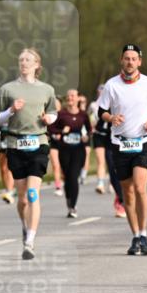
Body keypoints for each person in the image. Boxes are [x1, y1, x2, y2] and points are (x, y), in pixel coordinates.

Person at [96, 43, 147, 256]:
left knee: (141, 187)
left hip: (143, 141)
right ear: (121, 61)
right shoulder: (111, 85)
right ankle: (136, 236)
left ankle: (144, 234)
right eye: (127, 58)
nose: (130, 62)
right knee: (128, 193)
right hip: (119, 143)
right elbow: (101, 111)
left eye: (134, 58)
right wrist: (111, 118)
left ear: (139, 62)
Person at [0, 48, 59, 260]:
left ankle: (30, 241)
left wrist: (49, 120)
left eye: (28, 60)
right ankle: (25, 226)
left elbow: (53, 112)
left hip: (39, 142)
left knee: (33, 194)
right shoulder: (7, 89)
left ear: (37, 65)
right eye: (21, 59)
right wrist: (11, 110)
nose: (24, 62)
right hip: (15, 144)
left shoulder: (47, 90)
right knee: (22, 199)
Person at [52, 88, 92, 217]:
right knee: (67, 177)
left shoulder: (83, 114)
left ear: (78, 98)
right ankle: (69, 200)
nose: (70, 98)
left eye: (73, 96)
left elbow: (89, 130)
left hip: (78, 150)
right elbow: (51, 129)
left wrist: (87, 137)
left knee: (73, 176)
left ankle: (73, 206)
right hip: (64, 150)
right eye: (68, 96)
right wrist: (61, 132)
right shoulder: (61, 114)